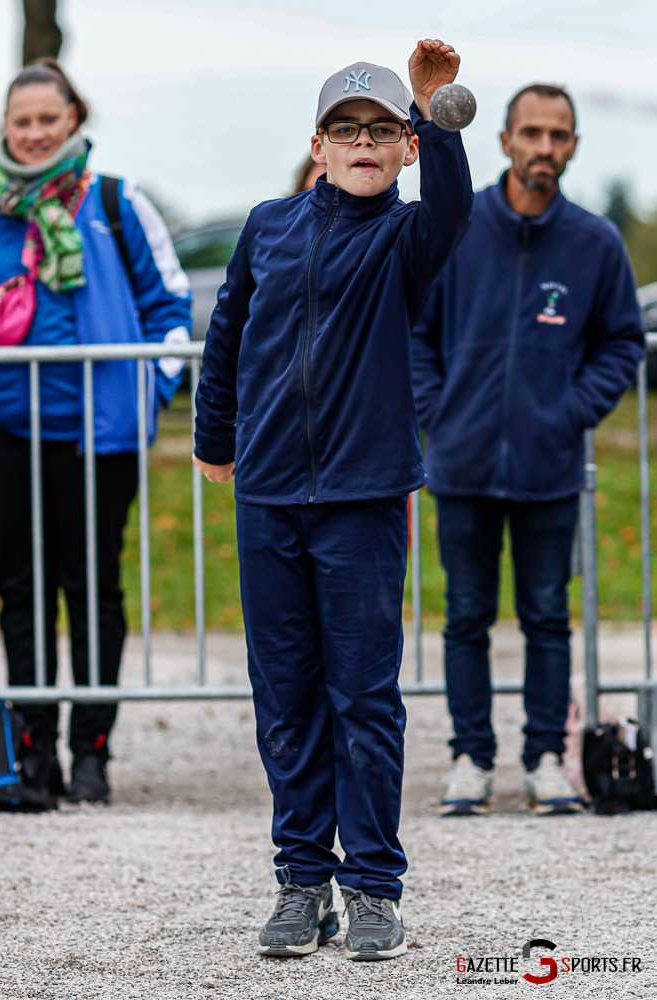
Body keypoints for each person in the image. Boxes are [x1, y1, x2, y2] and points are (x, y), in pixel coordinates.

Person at [194, 38, 472, 960]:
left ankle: (374, 888)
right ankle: (301, 879)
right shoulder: (268, 225)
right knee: (285, 698)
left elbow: (455, 209)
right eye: (345, 129)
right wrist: (214, 439)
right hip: (268, 492)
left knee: (362, 697)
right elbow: (227, 329)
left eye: (382, 131)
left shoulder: (405, 238)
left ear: (404, 150)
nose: (363, 142)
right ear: (318, 145)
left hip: (361, 496)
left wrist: (439, 113)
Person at [411, 83, 645, 817]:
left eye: (558, 135)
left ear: (572, 146)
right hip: (462, 460)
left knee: (546, 616)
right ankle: (469, 761)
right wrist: (436, 413)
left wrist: (570, 411)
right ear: (505, 139)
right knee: (465, 617)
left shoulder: (595, 242)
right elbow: (415, 333)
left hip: (548, 465)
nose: (544, 147)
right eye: (531, 133)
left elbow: (621, 342)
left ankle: (546, 757)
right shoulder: (456, 226)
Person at [0, 59, 192, 807]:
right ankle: (32, 749)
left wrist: (152, 389)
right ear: (6, 127)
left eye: (49, 118)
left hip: (98, 435)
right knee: (21, 591)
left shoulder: (115, 201)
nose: (36, 133)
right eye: (22, 121)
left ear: (74, 118)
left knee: (93, 587)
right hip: (7, 431)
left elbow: (171, 304)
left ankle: (92, 749)